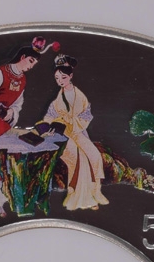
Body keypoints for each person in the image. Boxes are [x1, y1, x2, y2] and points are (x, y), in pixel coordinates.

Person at [0, 40, 51, 215]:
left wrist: (11, 113)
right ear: (23, 57)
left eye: (34, 64)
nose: (31, 66)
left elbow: (18, 103)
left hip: (4, 121)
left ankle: (6, 195)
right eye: (30, 61)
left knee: (4, 158)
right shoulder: (0, 73)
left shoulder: (22, 80)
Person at [43, 54, 108, 211]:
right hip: (63, 135)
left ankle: (94, 192)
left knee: (94, 156)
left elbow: (86, 116)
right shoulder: (58, 98)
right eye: (57, 78)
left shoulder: (80, 96)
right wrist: (48, 124)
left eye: (63, 77)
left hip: (78, 132)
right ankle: (78, 195)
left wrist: (71, 122)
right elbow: (50, 115)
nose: (60, 81)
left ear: (71, 76)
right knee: (79, 157)